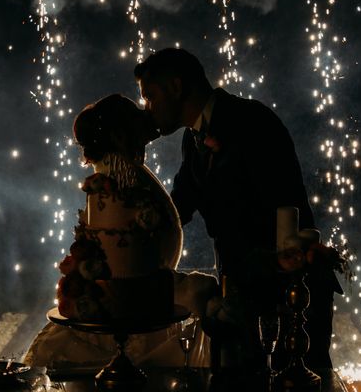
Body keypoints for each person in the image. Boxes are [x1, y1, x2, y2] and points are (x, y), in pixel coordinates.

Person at [134, 48, 342, 372]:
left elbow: (284, 209)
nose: (149, 108)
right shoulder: (192, 140)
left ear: (176, 87)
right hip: (243, 293)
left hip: (289, 293)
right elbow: (178, 207)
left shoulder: (252, 121)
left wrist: (269, 273)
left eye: (151, 97)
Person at [24, 94, 218, 370]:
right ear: (122, 131)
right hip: (136, 297)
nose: (147, 117)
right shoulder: (118, 175)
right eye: (137, 115)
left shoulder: (125, 170)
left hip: (150, 287)